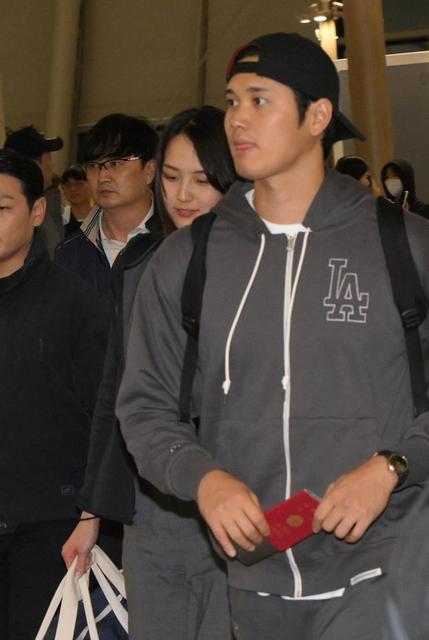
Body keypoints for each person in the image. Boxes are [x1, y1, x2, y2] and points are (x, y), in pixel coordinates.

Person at [116, 33, 429, 640]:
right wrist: (203, 478)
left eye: (260, 100)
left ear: (318, 117)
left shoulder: (404, 246)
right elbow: (144, 405)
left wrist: (393, 465)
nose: (237, 119)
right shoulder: (189, 259)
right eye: (233, 101)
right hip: (257, 578)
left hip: (388, 565)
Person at [62, 106, 238, 639]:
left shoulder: (268, 272)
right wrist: (92, 512)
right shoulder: (141, 271)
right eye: (173, 177)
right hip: (156, 504)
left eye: (202, 180)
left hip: (243, 497)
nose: (183, 195)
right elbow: (116, 392)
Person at [0, 149, 109, 639]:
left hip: (50, 525)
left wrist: (91, 513)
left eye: (2, 208)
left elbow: (104, 413)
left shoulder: (75, 303)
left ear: (36, 211)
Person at [55, 113, 162, 298]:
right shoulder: (68, 253)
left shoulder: (175, 242)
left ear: (149, 171)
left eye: (115, 163)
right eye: (94, 166)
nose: (103, 177)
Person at [5, 125, 65, 257]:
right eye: (49, 157)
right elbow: (56, 257)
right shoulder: (35, 211)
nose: (52, 165)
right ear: (38, 163)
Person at [61, 164, 93, 236]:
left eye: (79, 184)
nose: (73, 189)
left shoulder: (101, 217)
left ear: (90, 185)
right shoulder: (61, 220)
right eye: (68, 185)